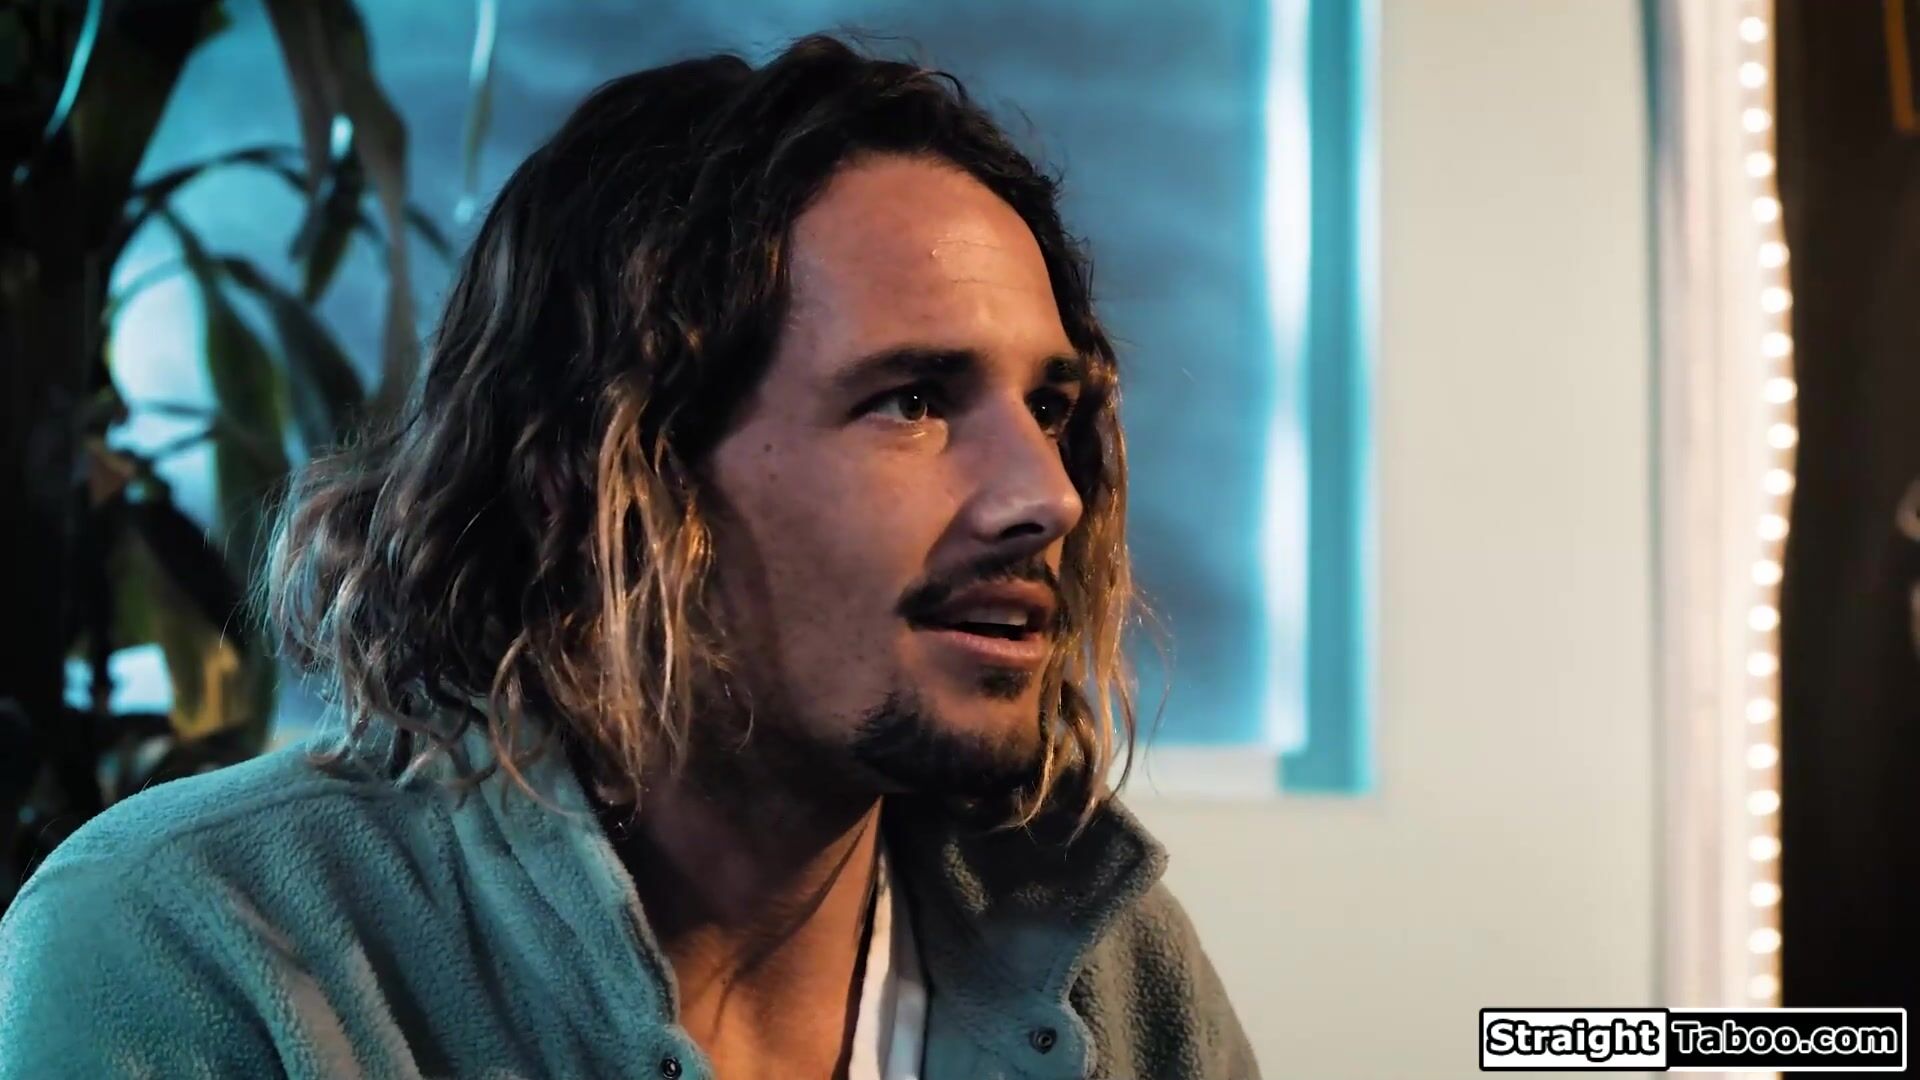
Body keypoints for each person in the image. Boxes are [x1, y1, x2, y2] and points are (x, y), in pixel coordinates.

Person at [0, 34, 1258, 1080]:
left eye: (1051, 408)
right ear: (596, 479)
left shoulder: (1102, 964)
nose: (1047, 496)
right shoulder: (204, 940)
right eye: (913, 401)